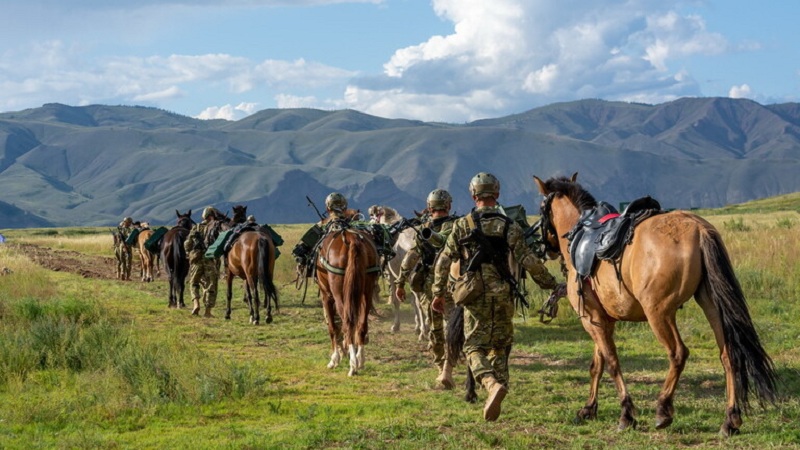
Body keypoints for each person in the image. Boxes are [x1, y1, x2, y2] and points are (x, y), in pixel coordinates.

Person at [431, 172, 564, 422]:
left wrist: (438, 293)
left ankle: (491, 384)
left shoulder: (463, 225)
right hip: (503, 294)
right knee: (500, 347)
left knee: (473, 347)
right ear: (497, 194)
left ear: (474, 195)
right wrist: (552, 284)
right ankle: (498, 389)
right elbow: (529, 261)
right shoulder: (510, 226)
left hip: (474, 295)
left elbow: (444, 261)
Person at [395, 189, 459, 389]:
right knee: (452, 326)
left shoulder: (424, 229)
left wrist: (400, 282)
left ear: (429, 207)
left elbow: (411, 257)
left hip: (428, 287)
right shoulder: (457, 226)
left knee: (434, 328)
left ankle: (441, 367)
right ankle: (449, 365)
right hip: (451, 285)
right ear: (448, 205)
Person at [291, 192, 349, 267]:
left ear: (328, 208)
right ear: (345, 208)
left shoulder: (322, 225)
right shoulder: (354, 224)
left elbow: (302, 249)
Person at [184, 206, 221, 317]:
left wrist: (189, 253)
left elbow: (187, 244)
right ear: (212, 216)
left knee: (193, 282)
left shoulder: (196, 227)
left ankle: (196, 303)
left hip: (196, 259)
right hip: (209, 260)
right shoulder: (215, 228)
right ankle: (208, 311)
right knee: (211, 285)